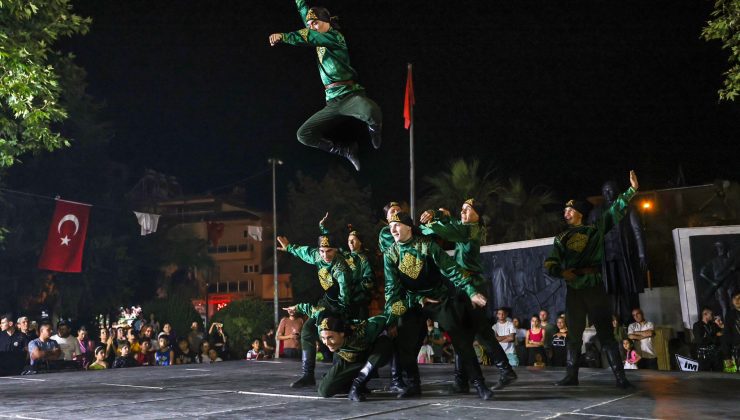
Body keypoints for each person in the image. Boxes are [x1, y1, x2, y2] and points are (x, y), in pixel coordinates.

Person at [383, 211, 495, 399]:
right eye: (391, 225)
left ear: (409, 227)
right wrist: (391, 318)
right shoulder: (390, 255)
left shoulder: (427, 246)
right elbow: (391, 289)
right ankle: (413, 385)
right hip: (413, 301)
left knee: (459, 336)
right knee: (403, 339)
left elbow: (452, 269)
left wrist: (471, 291)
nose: (393, 228)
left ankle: (479, 384)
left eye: (397, 224)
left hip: (437, 299)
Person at [546, 170, 639, 388]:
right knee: (574, 335)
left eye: (569, 209)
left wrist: (631, 191)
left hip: (594, 287)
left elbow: (615, 211)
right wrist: (560, 272)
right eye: (565, 210)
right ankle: (571, 375)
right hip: (574, 291)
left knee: (606, 334)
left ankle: (620, 377)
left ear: (579, 212)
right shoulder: (560, 238)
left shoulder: (594, 230)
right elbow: (550, 263)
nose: (565, 213)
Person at [268, 0, 383, 172]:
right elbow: (304, 12)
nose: (311, 27)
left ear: (326, 21)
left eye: (315, 23)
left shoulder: (335, 37)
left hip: (349, 96)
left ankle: (374, 127)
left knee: (371, 110)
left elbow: (310, 35)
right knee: (303, 135)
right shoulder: (316, 32)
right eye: (309, 24)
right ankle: (345, 150)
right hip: (332, 102)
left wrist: (284, 36)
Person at [419, 198, 518, 392]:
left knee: (477, 332)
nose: (463, 213)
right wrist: (440, 215)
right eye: (462, 209)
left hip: (471, 286)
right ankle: (464, 380)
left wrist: (429, 223)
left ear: (478, 215)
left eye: (468, 209)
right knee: (463, 333)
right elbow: (450, 222)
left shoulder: (470, 230)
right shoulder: (466, 227)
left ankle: (501, 372)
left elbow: (444, 229)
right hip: (463, 287)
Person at [278, 228, 354, 388]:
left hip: (341, 304)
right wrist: (289, 247)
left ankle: (338, 373)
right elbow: (305, 252)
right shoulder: (317, 256)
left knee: (336, 335)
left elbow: (345, 294)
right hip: (326, 301)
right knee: (307, 330)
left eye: (329, 251)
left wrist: (340, 316)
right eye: (322, 251)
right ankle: (307, 375)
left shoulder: (340, 269)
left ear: (336, 250)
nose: (325, 256)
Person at [587, 180, 648, 326]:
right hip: (606, 258)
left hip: (624, 256)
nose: (607, 193)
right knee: (610, 290)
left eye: (610, 190)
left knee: (627, 289)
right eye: (605, 191)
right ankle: (612, 322)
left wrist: (642, 254)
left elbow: (637, 231)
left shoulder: (627, 208)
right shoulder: (596, 212)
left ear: (617, 191)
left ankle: (630, 321)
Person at [315, 315, 393, 401]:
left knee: (385, 343)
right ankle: (348, 384)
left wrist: (392, 326)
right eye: (323, 338)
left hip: (370, 357)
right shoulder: (322, 331)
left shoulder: (365, 331)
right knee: (324, 391)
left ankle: (357, 386)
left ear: (342, 334)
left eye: (330, 338)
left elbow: (385, 318)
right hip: (349, 359)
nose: (327, 342)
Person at [692, 307, 723, 372]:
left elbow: (721, 334)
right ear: (705, 314)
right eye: (711, 314)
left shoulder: (713, 325)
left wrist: (721, 325)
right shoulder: (697, 325)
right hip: (704, 355)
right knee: (705, 374)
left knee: (718, 373)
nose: (713, 316)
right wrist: (714, 336)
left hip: (715, 354)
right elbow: (700, 341)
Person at [721, 289, 740, 370]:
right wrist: (727, 356)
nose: (737, 300)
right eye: (734, 298)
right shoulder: (730, 315)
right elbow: (726, 336)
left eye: (739, 297)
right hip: (737, 352)